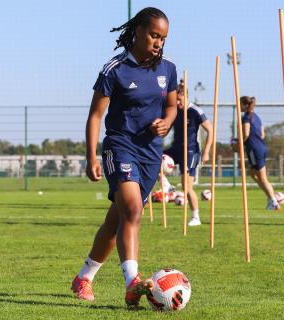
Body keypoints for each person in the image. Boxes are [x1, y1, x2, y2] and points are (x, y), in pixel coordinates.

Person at [71, 7, 177, 308]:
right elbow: (95, 116)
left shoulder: (167, 69)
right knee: (133, 210)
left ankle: (84, 277)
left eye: (163, 38)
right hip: (119, 146)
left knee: (116, 221)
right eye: (154, 35)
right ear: (138, 31)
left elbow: (171, 107)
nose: (158, 42)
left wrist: (167, 121)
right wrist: (91, 155)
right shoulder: (114, 69)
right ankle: (132, 281)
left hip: (150, 154)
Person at [163, 83, 213, 226]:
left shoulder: (195, 111)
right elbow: (167, 129)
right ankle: (167, 186)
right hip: (176, 148)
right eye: (175, 100)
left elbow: (210, 129)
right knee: (154, 159)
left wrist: (206, 152)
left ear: (186, 96)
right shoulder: (175, 111)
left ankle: (195, 217)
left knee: (187, 187)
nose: (177, 103)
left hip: (190, 151)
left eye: (179, 99)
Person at [231, 96, 281, 210]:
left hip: (254, 149)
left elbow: (246, 134)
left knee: (262, 178)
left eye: (240, 104)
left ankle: (273, 202)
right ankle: (271, 199)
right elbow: (263, 135)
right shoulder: (257, 117)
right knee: (252, 173)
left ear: (245, 105)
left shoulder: (246, 117)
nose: (238, 106)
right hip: (262, 147)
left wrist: (237, 144)